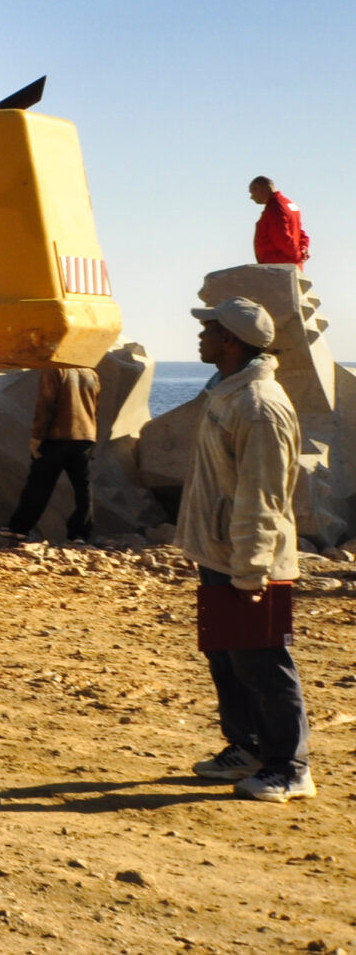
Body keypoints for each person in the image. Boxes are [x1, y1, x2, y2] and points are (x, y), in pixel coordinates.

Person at [181, 294, 312, 801]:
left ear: (229, 341)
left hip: (249, 561)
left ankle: (290, 766)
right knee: (229, 658)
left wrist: (251, 572)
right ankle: (250, 747)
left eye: (208, 328)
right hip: (221, 553)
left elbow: (262, 497)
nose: (200, 335)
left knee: (264, 663)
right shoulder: (229, 393)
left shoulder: (259, 408)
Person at [6, 362, 100, 540]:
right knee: (83, 488)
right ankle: (80, 534)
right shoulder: (90, 374)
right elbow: (95, 409)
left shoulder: (54, 370)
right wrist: (93, 437)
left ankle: (19, 528)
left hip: (57, 437)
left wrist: (36, 438)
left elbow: (45, 406)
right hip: (86, 437)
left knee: (38, 485)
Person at [249, 177, 311, 268]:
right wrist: (303, 249)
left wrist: (297, 256)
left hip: (278, 268)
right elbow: (300, 232)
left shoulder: (275, 207)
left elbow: (281, 237)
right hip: (290, 265)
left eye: (252, 192)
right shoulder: (288, 204)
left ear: (258, 188)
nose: (251, 197)